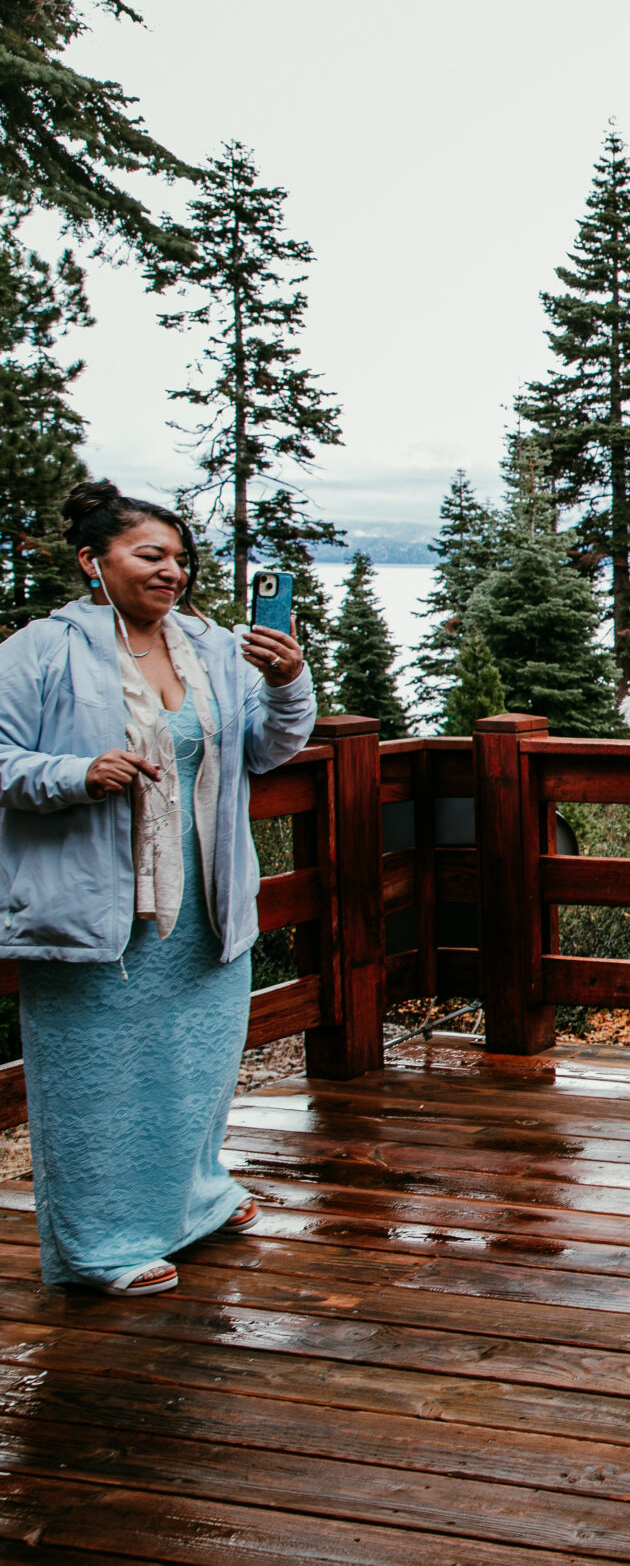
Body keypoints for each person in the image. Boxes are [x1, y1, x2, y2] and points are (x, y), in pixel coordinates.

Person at [0, 480, 313, 1297]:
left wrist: (288, 683)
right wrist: (77, 772)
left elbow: (267, 748)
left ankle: (196, 1202)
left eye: (181, 558)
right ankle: (99, 1244)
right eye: (151, 555)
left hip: (202, 900)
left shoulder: (208, 646)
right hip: (96, 905)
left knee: (194, 1067)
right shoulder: (40, 650)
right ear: (92, 562)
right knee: (93, 1078)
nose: (173, 571)